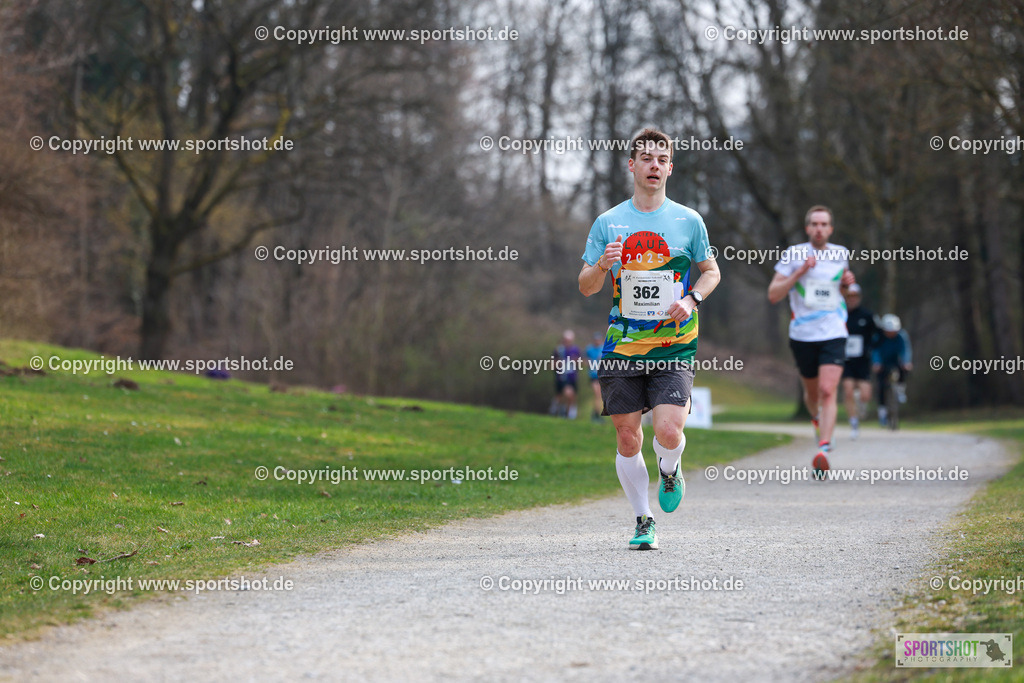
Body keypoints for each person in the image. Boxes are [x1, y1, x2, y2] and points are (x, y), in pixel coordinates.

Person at [578, 127, 721, 550]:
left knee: (669, 431)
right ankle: (643, 519)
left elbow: (711, 271)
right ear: (633, 166)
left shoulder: (688, 221)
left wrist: (693, 298)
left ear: (670, 168)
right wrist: (603, 266)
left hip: (674, 344)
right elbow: (585, 286)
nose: (654, 165)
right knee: (627, 436)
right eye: (646, 158)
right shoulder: (609, 222)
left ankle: (670, 468)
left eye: (662, 159)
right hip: (623, 345)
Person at [767, 205, 856, 479]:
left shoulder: (840, 254)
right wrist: (799, 273)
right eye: (814, 224)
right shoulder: (794, 254)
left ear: (831, 228)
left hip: (833, 332)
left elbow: (848, 297)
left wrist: (847, 286)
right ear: (808, 228)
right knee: (813, 394)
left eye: (824, 224)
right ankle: (817, 421)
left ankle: (824, 449)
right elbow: (773, 294)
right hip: (803, 335)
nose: (819, 228)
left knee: (829, 391)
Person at [841, 284, 878, 439]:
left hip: (863, 360)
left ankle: (861, 406)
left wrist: (873, 353)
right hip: (845, 359)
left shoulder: (867, 316)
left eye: (854, 296)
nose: (852, 299)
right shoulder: (840, 314)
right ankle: (854, 422)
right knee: (848, 389)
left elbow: (878, 334)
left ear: (859, 297)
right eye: (849, 296)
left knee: (865, 395)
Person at [872, 314, 912, 426]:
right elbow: (875, 351)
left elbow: (906, 350)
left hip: (896, 360)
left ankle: (900, 388)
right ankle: (882, 412)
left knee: (904, 368)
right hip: (883, 362)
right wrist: (876, 363)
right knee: (881, 385)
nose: (891, 333)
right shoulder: (878, 337)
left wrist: (906, 362)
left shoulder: (901, 336)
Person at [550, 330, 581, 419]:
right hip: (561, 376)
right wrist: (559, 363)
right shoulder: (559, 350)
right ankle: (560, 412)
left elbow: (580, 362)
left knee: (571, 395)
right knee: (563, 395)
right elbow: (552, 364)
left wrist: (575, 361)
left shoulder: (575, 349)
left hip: (572, 377)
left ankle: (567, 413)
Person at [585, 332, 605, 422]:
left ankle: (596, 414)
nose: (597, 341)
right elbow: (584, 360)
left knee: (600, 396)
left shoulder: (604, 348)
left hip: (602, 375)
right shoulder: (589, 349)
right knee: (597, 394)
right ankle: (596, 415)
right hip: (593, 375)